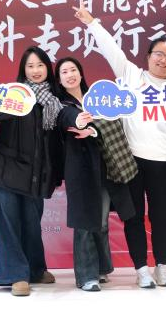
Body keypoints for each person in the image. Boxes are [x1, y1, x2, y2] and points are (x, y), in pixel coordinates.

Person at [74, 4, 166, 288]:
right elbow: (111, 50)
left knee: (162, 217)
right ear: (148, 56)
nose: (163, 60)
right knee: (133, 216)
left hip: (161, 160)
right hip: (130, 160)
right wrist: (92, 23)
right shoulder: (133, 76)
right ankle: (141, 270)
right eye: (158, 54)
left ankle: (163, 267)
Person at [54, 56, 136, 291]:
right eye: (64, 72)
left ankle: (101, 268)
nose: (70, 75)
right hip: (80, 170)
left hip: (106, 166)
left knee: (101, 221)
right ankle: (86, 276)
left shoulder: (98, 98)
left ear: (80, 73)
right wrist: (80, 122)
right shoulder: (61, 105)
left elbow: (113, 122)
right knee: (84, 221)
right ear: (59, 79)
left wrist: (93, 130)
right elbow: (68, 120)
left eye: (73, 69)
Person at [0, 46, 61, 297]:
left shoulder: (54, 99)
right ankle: (16, 276)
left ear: (47, 68)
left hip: (37, 173)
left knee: (31, 222)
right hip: (7, 169)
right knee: (9, 223)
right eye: (30, 66)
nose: (35, 70)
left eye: (40, 65)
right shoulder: (15, 94)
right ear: (23, 70)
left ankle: (36, 270)